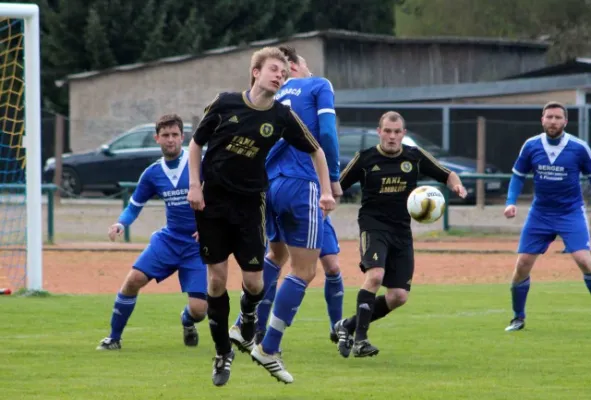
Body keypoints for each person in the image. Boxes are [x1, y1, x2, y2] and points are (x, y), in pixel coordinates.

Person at [187, 46, 335, 387]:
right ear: (256, 72)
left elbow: (317, 149)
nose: (279, 76)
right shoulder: (225, 102)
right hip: (212, 203)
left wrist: (326, 190)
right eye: (273, 70)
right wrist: (195, 185)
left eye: (283, 73)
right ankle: (223, 353)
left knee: (254, 283)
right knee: (215, 282)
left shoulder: (282, 116)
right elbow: (195, 144)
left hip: (251, 204)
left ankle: (249, 315)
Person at [229, 45, 344, 351]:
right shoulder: (319, 85)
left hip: (270, 186)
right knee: (304, 270)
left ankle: (244, 325)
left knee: (275, 257)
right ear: (293, 66)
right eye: (305, 63)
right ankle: (270, 346)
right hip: (303, 184)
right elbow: (328, 136)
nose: (308, 69)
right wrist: (331, 180)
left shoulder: (270, 98)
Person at [334, 111, 467, 358]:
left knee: (398, 296)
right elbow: (337, 187)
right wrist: (324, 201)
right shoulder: (364, 158)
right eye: (388, 131)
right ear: (379, 132)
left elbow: (447, 174)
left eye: (397, 132)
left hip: (401, 231)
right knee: (375, 276)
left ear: (403, 134)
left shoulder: (414, 157)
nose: (392, 137)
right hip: (373, 226)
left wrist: (456, 185)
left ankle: (347, 326)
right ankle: (360, 340)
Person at [97, 114, 208, 351]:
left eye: (175, 135)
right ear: (157, 138)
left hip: (197, 245)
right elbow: (134, 206)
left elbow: (223, 196)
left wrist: (210, 226)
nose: (171, 140)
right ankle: (113, 338)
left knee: (199, 310)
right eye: (165, 135)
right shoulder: (152, 173)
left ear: (183, 137)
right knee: (133, 280)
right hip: (169, 239)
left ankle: (187, 321)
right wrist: (120, 223)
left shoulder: (200, 162)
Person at [503, 101, 591, 332]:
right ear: (542, 119)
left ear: (565, 121)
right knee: (522, 265)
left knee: (585, 262)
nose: (553, 121)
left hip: (571, 212)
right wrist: (510, 202)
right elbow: (518, 176)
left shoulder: (579, 148)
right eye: (549, 117)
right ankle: (517, 317)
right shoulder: (531, 146)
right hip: (540, 214)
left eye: (557, 117)